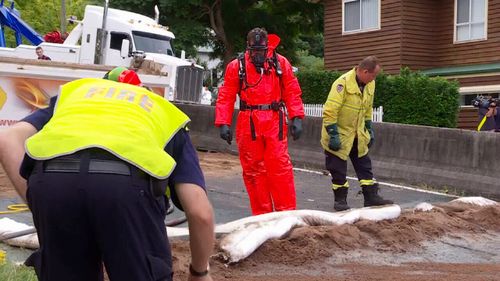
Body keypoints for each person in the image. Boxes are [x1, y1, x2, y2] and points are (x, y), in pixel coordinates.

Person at [0, 67, 215, 281]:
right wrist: (199, 272)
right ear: (142, 92)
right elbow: (200, 213)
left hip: (51, 184)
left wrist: (36, 201)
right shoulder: (163, 112)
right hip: (126, 191)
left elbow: (7, 140)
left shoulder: (74, 97)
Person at [215, 27, 304, 216]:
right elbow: (227, 95)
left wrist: (297, 116)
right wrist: (223, 122)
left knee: (279, 167)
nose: (257, 55)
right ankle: (261, 216)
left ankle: (285, 215)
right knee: (253, 170)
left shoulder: (280, 63)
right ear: (248, 48)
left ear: (267, 47)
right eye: (254, 51)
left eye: (260, 51)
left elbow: (291, 90)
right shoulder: (236, 66)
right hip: (249, 121)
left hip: (274, 120)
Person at [321, 56, 393, 211]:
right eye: (373, 75)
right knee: (338, 169)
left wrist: (369, 128)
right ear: (365, 71)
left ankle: (370, 197)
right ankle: (340, 201)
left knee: (364, 165)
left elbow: (367, 108)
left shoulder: (370, 84)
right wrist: (333, 134)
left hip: (357, 134)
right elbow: (330, 111)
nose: (374, 79)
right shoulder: (342, 84)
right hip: (339, 133)